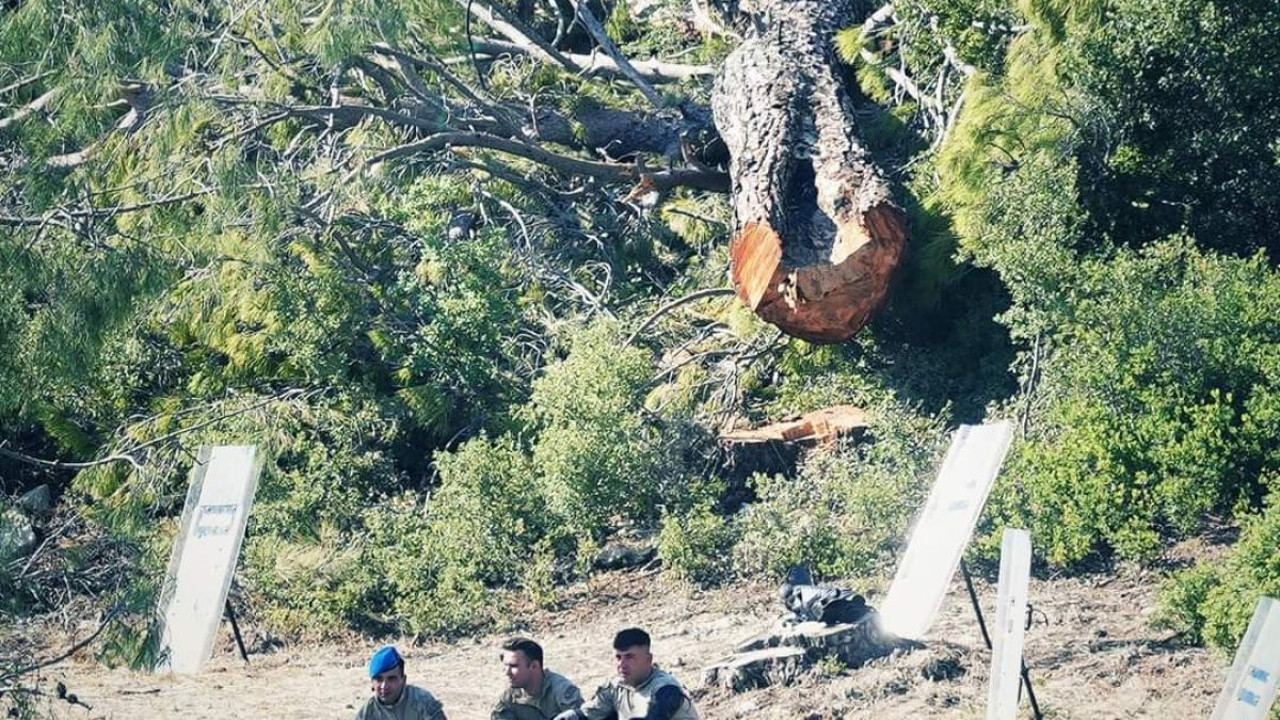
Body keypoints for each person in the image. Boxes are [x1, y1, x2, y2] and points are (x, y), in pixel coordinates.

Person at [554, 628, 699, 720]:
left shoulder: (665, 689)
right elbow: (587, 714)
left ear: (648, 659)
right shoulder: (616, 687)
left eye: (629, 657)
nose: (622, 665)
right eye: (618, 657)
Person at [491, 637, 584, 720]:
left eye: (513, 666)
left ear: (534, 666)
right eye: (505, 666)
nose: (507, 672)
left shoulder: (561, 691)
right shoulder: (509, 698)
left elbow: (582, 716)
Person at [354, 645, 448, 720]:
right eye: (379, 679)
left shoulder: (423, 702)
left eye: (391, 679)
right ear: (372, 683)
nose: (384, 686)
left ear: (403, 680)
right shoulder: (367, 713)